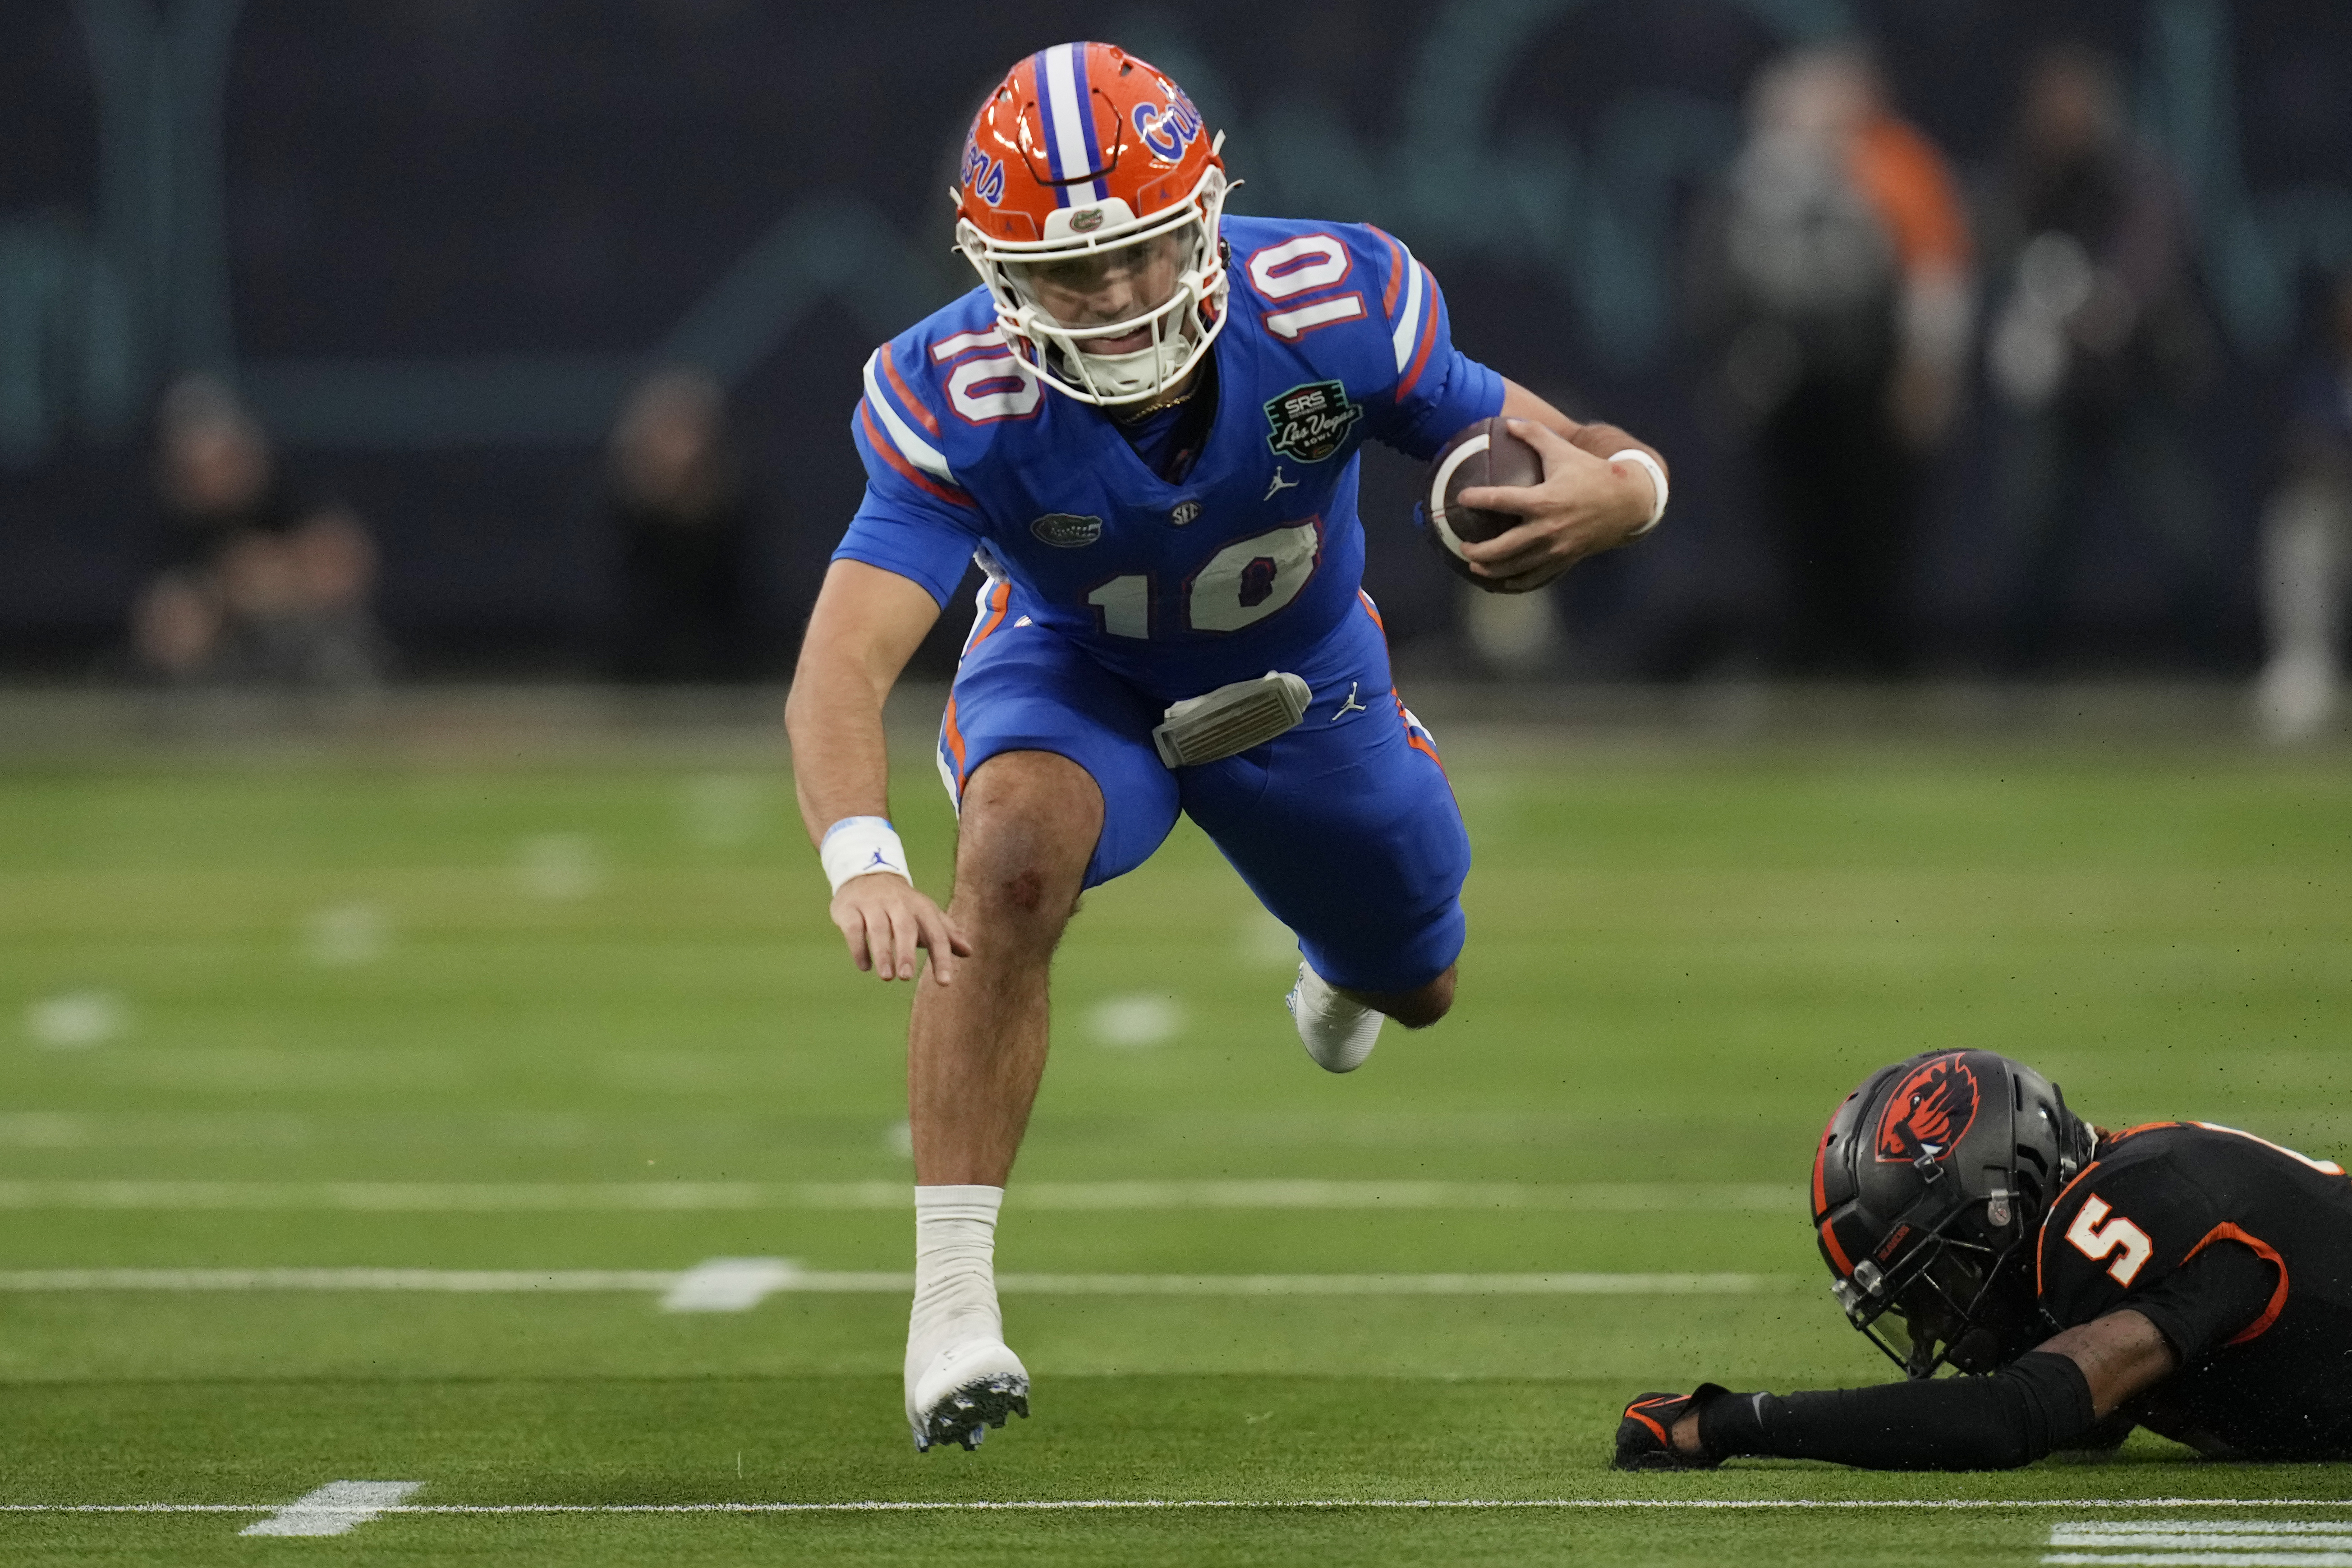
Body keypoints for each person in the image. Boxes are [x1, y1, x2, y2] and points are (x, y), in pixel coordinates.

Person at [784, 42, 1668, 1453]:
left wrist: (1628, 492)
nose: (1119, 298)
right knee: (1008, 858)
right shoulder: (950, 387)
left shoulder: (1336, 301)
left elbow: (1559, 444)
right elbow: (843, 658)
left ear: (1206, 216)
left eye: (1139, 253)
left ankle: (1342, 961)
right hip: (1074, 675)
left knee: (1420, 982)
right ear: (991, 266)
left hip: (1304, 672)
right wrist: (860, 856)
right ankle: (951, 1305)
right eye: (1074, 274)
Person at [1614, 1049, 2352, 1469]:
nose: (1935, 1321)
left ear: (2001, 1209)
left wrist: (1727, 1422)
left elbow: (2013, 1417)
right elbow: (2097, 1418)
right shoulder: (2128, 1172)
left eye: (1941, 1280)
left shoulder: (2134, 1209)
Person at [1693, 43, 1971, 675]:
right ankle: (1809, 645)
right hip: (1790, 382)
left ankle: (1870, 650)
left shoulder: (1891, 166)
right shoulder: (1761, 177)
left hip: (1862, 379)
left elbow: (1934, 280)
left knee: (1872, 523)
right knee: (1795, 522)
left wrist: (1924, 369)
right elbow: (1724, 278)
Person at [1983, 45, 2215, 672]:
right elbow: (2000, 251)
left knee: (2184, 527)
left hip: (2130, 381)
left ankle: (2216, 660)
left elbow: (2149, 261)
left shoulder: (2131, 177)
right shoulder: (2026, 178)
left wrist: (2103, 301)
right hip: (2059, 389)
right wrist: (2036, 311)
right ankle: (2018, 673)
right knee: (2031, 532)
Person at [133, 376, 383, 690]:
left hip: (304, 640)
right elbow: (164, 619)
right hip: (226, 660)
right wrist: (224, 591)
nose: (212, 475)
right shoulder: (170, 522)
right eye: (195, 467)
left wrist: (276, 577)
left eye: (223, 459)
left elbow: (344, 566)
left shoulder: (289, 491)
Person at [2252, 272, 2352, 743]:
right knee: (2298, 523)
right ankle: (2303, 667)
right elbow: (2302, 444)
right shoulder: (2319, 376)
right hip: (2336, 503)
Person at [607, 369, 757, 682]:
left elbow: (735, 602)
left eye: (691, 434)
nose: (682, 448)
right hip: (638, 669)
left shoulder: (732, 511)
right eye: (669, 433)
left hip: (721, 665)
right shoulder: (624, 515)